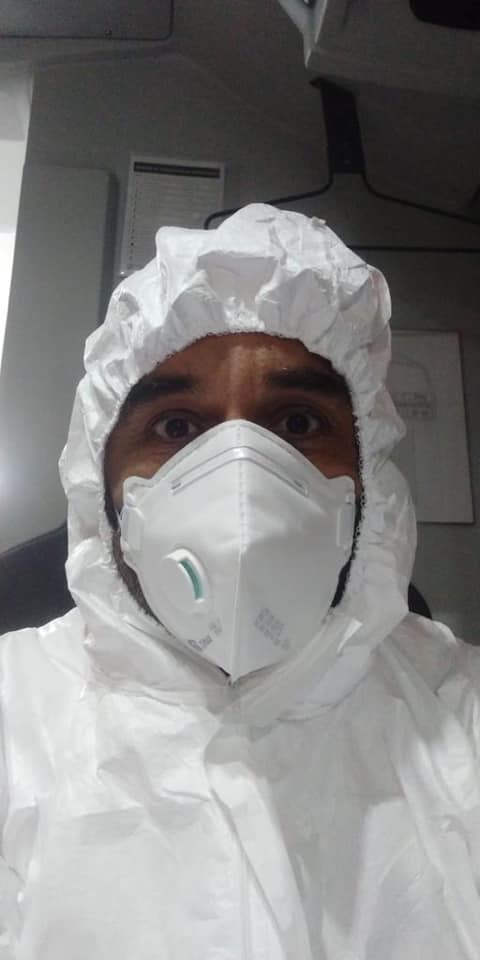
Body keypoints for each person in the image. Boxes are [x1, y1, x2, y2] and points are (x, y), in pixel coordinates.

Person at [1, 204, 479, 959]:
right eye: (177, 428)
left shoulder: (458, 713)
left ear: (367, 478)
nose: (242, 486)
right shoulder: (16, 718)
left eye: (296, 424)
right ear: (104, 486)